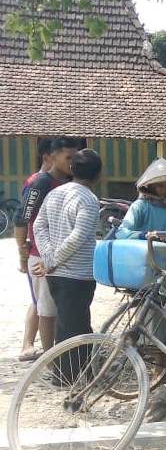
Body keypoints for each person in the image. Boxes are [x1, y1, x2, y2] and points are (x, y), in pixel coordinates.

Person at [32, 148, 102, 381]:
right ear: (98, 175)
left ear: (72, 169)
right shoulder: (89, 199)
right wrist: (51, 260)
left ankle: (77, 372)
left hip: (56, 273)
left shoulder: (55, 193)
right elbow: (78, 237)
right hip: (78, 274)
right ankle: (69, 376)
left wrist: (49, 258)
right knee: (75, 326)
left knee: (69, 322)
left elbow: (38, 226)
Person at [16, 138, 76, 361]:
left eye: (75, 158)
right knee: (45, 308)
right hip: (40, 256)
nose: (72, 163)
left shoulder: (73, 182)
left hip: (65, 255)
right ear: (51, 158)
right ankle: (48, 359)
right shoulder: (40, 183)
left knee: (57, 307)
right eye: (68, 158)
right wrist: (23, 255)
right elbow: (22, 220)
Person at [114, 158, 166, 245]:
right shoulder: (140, 206)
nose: (165, 189)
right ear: (151, 186)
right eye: (160, 185)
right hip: (147, 256)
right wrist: (145, 235)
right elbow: (121, 233)